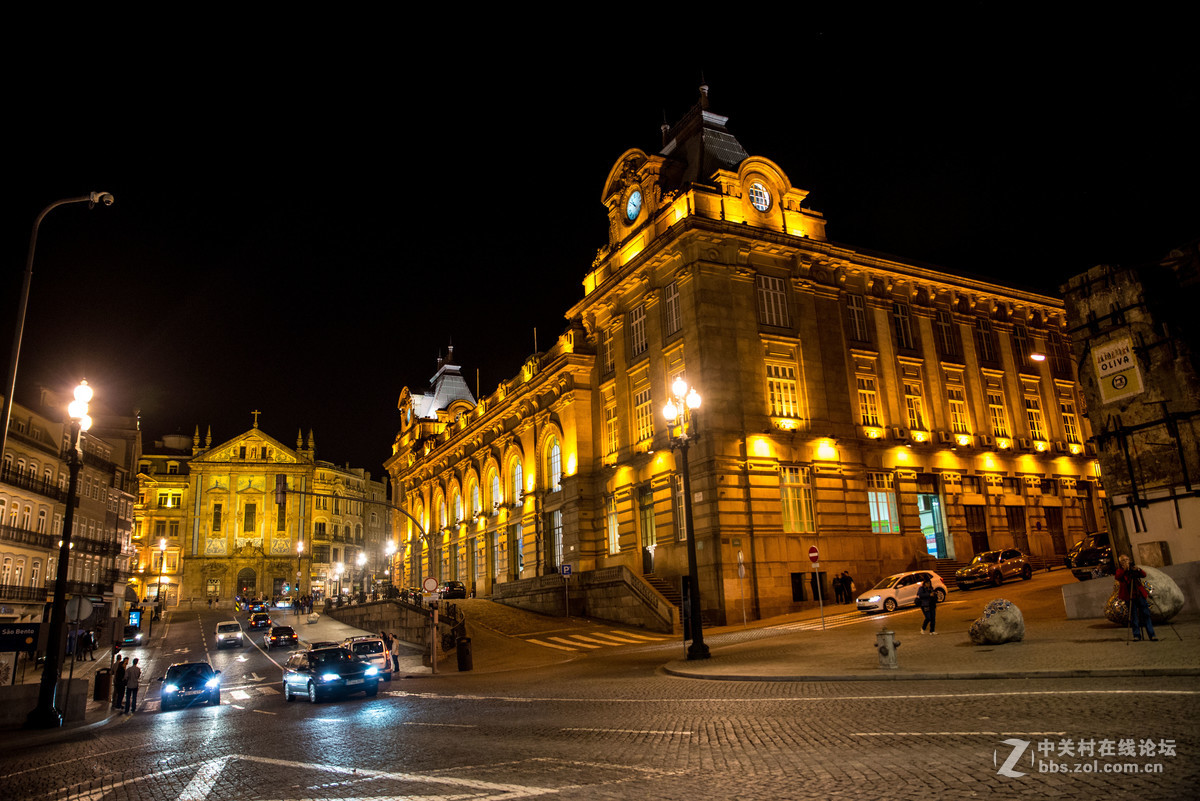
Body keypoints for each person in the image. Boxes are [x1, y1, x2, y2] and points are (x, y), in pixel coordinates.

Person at [1117, 555, 1157, 641]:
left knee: (1146, 614)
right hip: (1129, 596)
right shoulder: (1120, 571)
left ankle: (1152, 634)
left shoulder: (1134, 569)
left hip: (1139, 595)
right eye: (1124, 560)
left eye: (1127, 559)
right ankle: (1136, 635)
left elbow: (1143, 575)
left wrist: (1137, 569)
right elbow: (1118, 577)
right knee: (1133, 616)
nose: (1127, 561)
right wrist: (1125, 570)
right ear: (1121, 562)